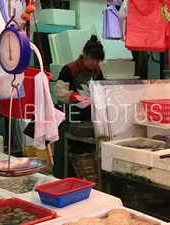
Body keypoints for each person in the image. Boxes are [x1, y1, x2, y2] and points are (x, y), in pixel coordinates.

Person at [53, 35, 105, 178]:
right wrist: (76, 97)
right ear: (85, 54)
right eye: (92, 59)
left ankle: (85, 179)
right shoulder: (69, 69)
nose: (95, 63)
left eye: (98, 60)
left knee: (85, 150)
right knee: (64, 149)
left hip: (87, 115)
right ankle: (61, 178)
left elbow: (102, 88)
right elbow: (59, 91)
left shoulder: (97, 71)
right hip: (68, 115)